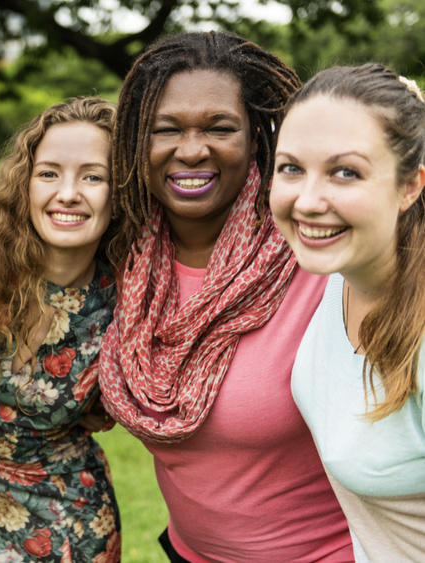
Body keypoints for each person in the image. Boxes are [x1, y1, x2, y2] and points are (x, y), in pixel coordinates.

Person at [97, 32, 356, 561]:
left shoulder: (318, 258)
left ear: (259, 136)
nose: (192, 150)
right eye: (165, 130)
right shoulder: (123, 258)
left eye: (220, 128)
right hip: (190, 552)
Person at [0, 97, 124, 563]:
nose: (68, 193)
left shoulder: (127, 294)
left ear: (121, 193)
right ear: (25, 183)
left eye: (93, 177)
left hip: (72, 526)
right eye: (49, 173)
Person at [270, 63, 425, 562]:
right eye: (291, 167)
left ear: (410, 186)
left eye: (346, 172)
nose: (308, 201)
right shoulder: (336, 273)